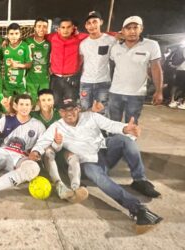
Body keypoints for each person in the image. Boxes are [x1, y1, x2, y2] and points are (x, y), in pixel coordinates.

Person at [29, 98, 162, 234]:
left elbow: (110, 125)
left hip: (104, 149)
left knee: (124, 140)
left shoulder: (91, 116)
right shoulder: (56, 127)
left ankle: (139, 180)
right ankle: (139, 210)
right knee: (96, 175)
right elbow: (43, 141)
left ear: (78, 109)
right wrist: (35, 151)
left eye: (72, 109)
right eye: (64, 110)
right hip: (88, 161)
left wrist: (125, 128)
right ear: (60, 112)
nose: (69, 113)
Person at [30, 89, 88, 202]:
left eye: (49, 99)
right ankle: (59, 186)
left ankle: (76, 187)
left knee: (73, 155)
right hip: (44, 151)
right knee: (48, 151)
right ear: (38, 102)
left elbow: (80, 116)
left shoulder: (60, 114)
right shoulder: (33, 116)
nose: (46, 103)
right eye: (43, 100)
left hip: (61, 147)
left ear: (53, 101)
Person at [109, 16, 163, 123]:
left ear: (141, 29)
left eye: (135, 27)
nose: (132, 31)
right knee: (113, 125)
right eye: (128, 28)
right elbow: (110, 67)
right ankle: (114, 140)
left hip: (136, 94)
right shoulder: (115, 46)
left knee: (131, 125)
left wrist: (159, 91)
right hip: (115, 93)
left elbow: (156, 69)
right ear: (123, 30)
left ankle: (129, 140)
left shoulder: (151, 45)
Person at [79, 11, 117, 115]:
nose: (92, 25)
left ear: (101, 22)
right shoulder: (83, 44)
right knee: (85, 111)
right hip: (86, 82)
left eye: (95, 21)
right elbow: (81, 61)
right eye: (89, 23)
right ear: (86, 26)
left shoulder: (111, 40)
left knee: (102, 112)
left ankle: (102, 132)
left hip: (103, 82)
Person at [46, 18, 88, 105]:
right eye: (63, 27)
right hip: (55, 79)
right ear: (59, 29)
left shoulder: (79, 38)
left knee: (70, 107)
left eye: (68, 27)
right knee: (55, 105)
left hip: (72, 79)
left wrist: (117, 35)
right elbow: (37, 37)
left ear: (73, 28)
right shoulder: (52, 37)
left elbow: (97, 35)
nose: (65, 30)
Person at [2, 23, 32, 96]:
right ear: (8, 35)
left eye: (16, 33)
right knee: (7, 105)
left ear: (20, 34)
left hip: (20, 83)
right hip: (7, 83)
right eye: (11, 34)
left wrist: (17, 65)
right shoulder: (4, 46)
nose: (14, 36)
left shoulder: (25, 46)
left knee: (21, 104)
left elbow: (29, 64)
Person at [25, 18, 51, 103]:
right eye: (39, 26)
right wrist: (6, 41)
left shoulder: (49, 43)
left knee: (44, 105)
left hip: (44, 80)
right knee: (31, 105)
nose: (41, 29)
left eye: (44, 27)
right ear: (34, 28)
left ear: (47, 29)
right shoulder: (27, 41)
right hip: (30, 80)